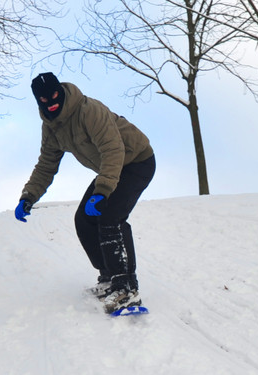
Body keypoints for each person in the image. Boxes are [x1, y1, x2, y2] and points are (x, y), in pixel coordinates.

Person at [14, 72, 155, 314]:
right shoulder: (51, 127)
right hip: (111, 167)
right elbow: (47, 164)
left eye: (55, 95)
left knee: (111, 219)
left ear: (61, 90)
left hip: (136, 161)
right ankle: (110, 277)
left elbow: (113, 149)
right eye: (45, 100)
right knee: (84, 220)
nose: (52, 102)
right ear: (39, 101)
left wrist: (102, 191)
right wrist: (29, 196)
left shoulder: (88, 111)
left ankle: (126, 288)